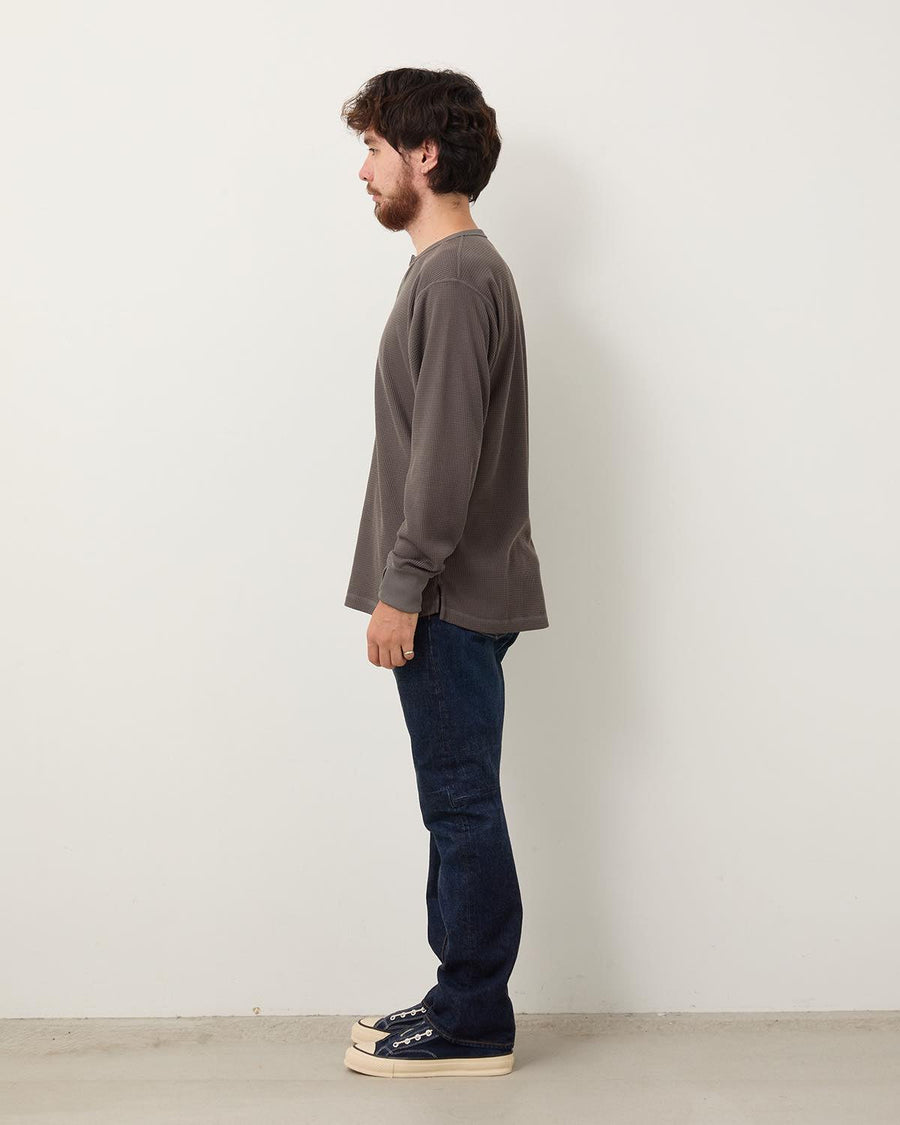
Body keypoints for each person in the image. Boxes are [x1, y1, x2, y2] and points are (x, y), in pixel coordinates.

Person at [339, 67, 549, 1079]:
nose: (363, 171)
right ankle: (456, 996)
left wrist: (401, 587)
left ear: (425, 154)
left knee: (461, 805)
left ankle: (473, 1020)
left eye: (374, 148)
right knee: (455, 803)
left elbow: (446, 456)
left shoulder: (458, 277)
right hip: (450, 593)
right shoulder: (447, 272)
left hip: (444, 598)